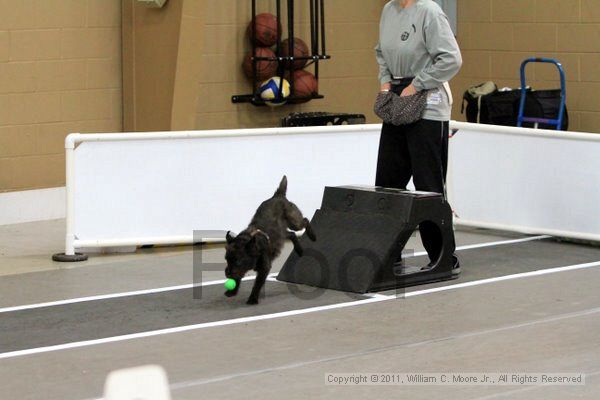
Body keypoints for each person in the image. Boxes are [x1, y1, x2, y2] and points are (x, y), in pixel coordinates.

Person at [374, 0, 462, 272]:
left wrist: (417, 85)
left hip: (429, 102)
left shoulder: (430, 11)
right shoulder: (388, 10)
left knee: (428, 184)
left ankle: (443, 256)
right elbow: (381, 52)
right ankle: (389, 252)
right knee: (387, 181)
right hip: (398, 98)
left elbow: (451, 58)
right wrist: (385, 81)